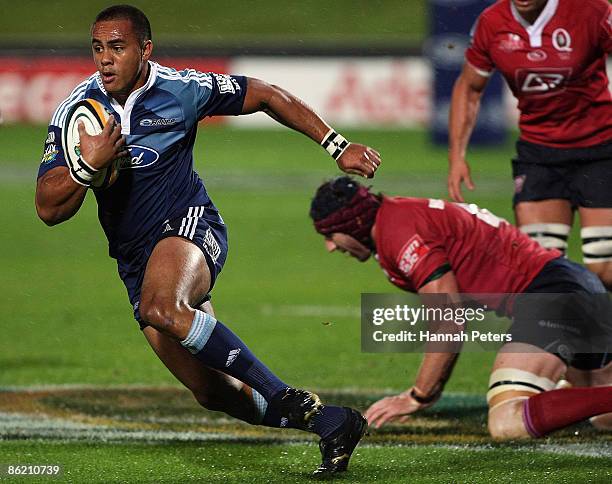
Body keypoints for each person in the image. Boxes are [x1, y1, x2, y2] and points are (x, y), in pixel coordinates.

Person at [35, 5, 381, 476]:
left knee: (163, 307)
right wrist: (87, 165)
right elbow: (47, 209)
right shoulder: (77, 113)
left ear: (144, 49)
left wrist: (335, 145)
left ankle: (284, 394)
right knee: (212, 393)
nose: (105, 59)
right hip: (134, 258)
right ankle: (330, 422)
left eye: (117, 47)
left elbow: (265, 94)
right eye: (98, 48)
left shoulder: (183, 89)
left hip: (190, 225)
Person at [310, 176, 612, 439]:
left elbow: (449, 320)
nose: (330, 246)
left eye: (330, 234)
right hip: (574, 288)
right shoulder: (397, 215)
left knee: (507, 421)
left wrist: (419, 395)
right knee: (602, 419)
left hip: (552, 297)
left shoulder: (398, 232)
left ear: (353, 223)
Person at [448, 0, 612, 288]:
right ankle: (571, 333)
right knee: (543, 271)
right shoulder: (492, 22)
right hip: (539, 155)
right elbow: (469, 87)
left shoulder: (591, 11)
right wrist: (457, 156)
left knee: (603, 268)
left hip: (600, 150)